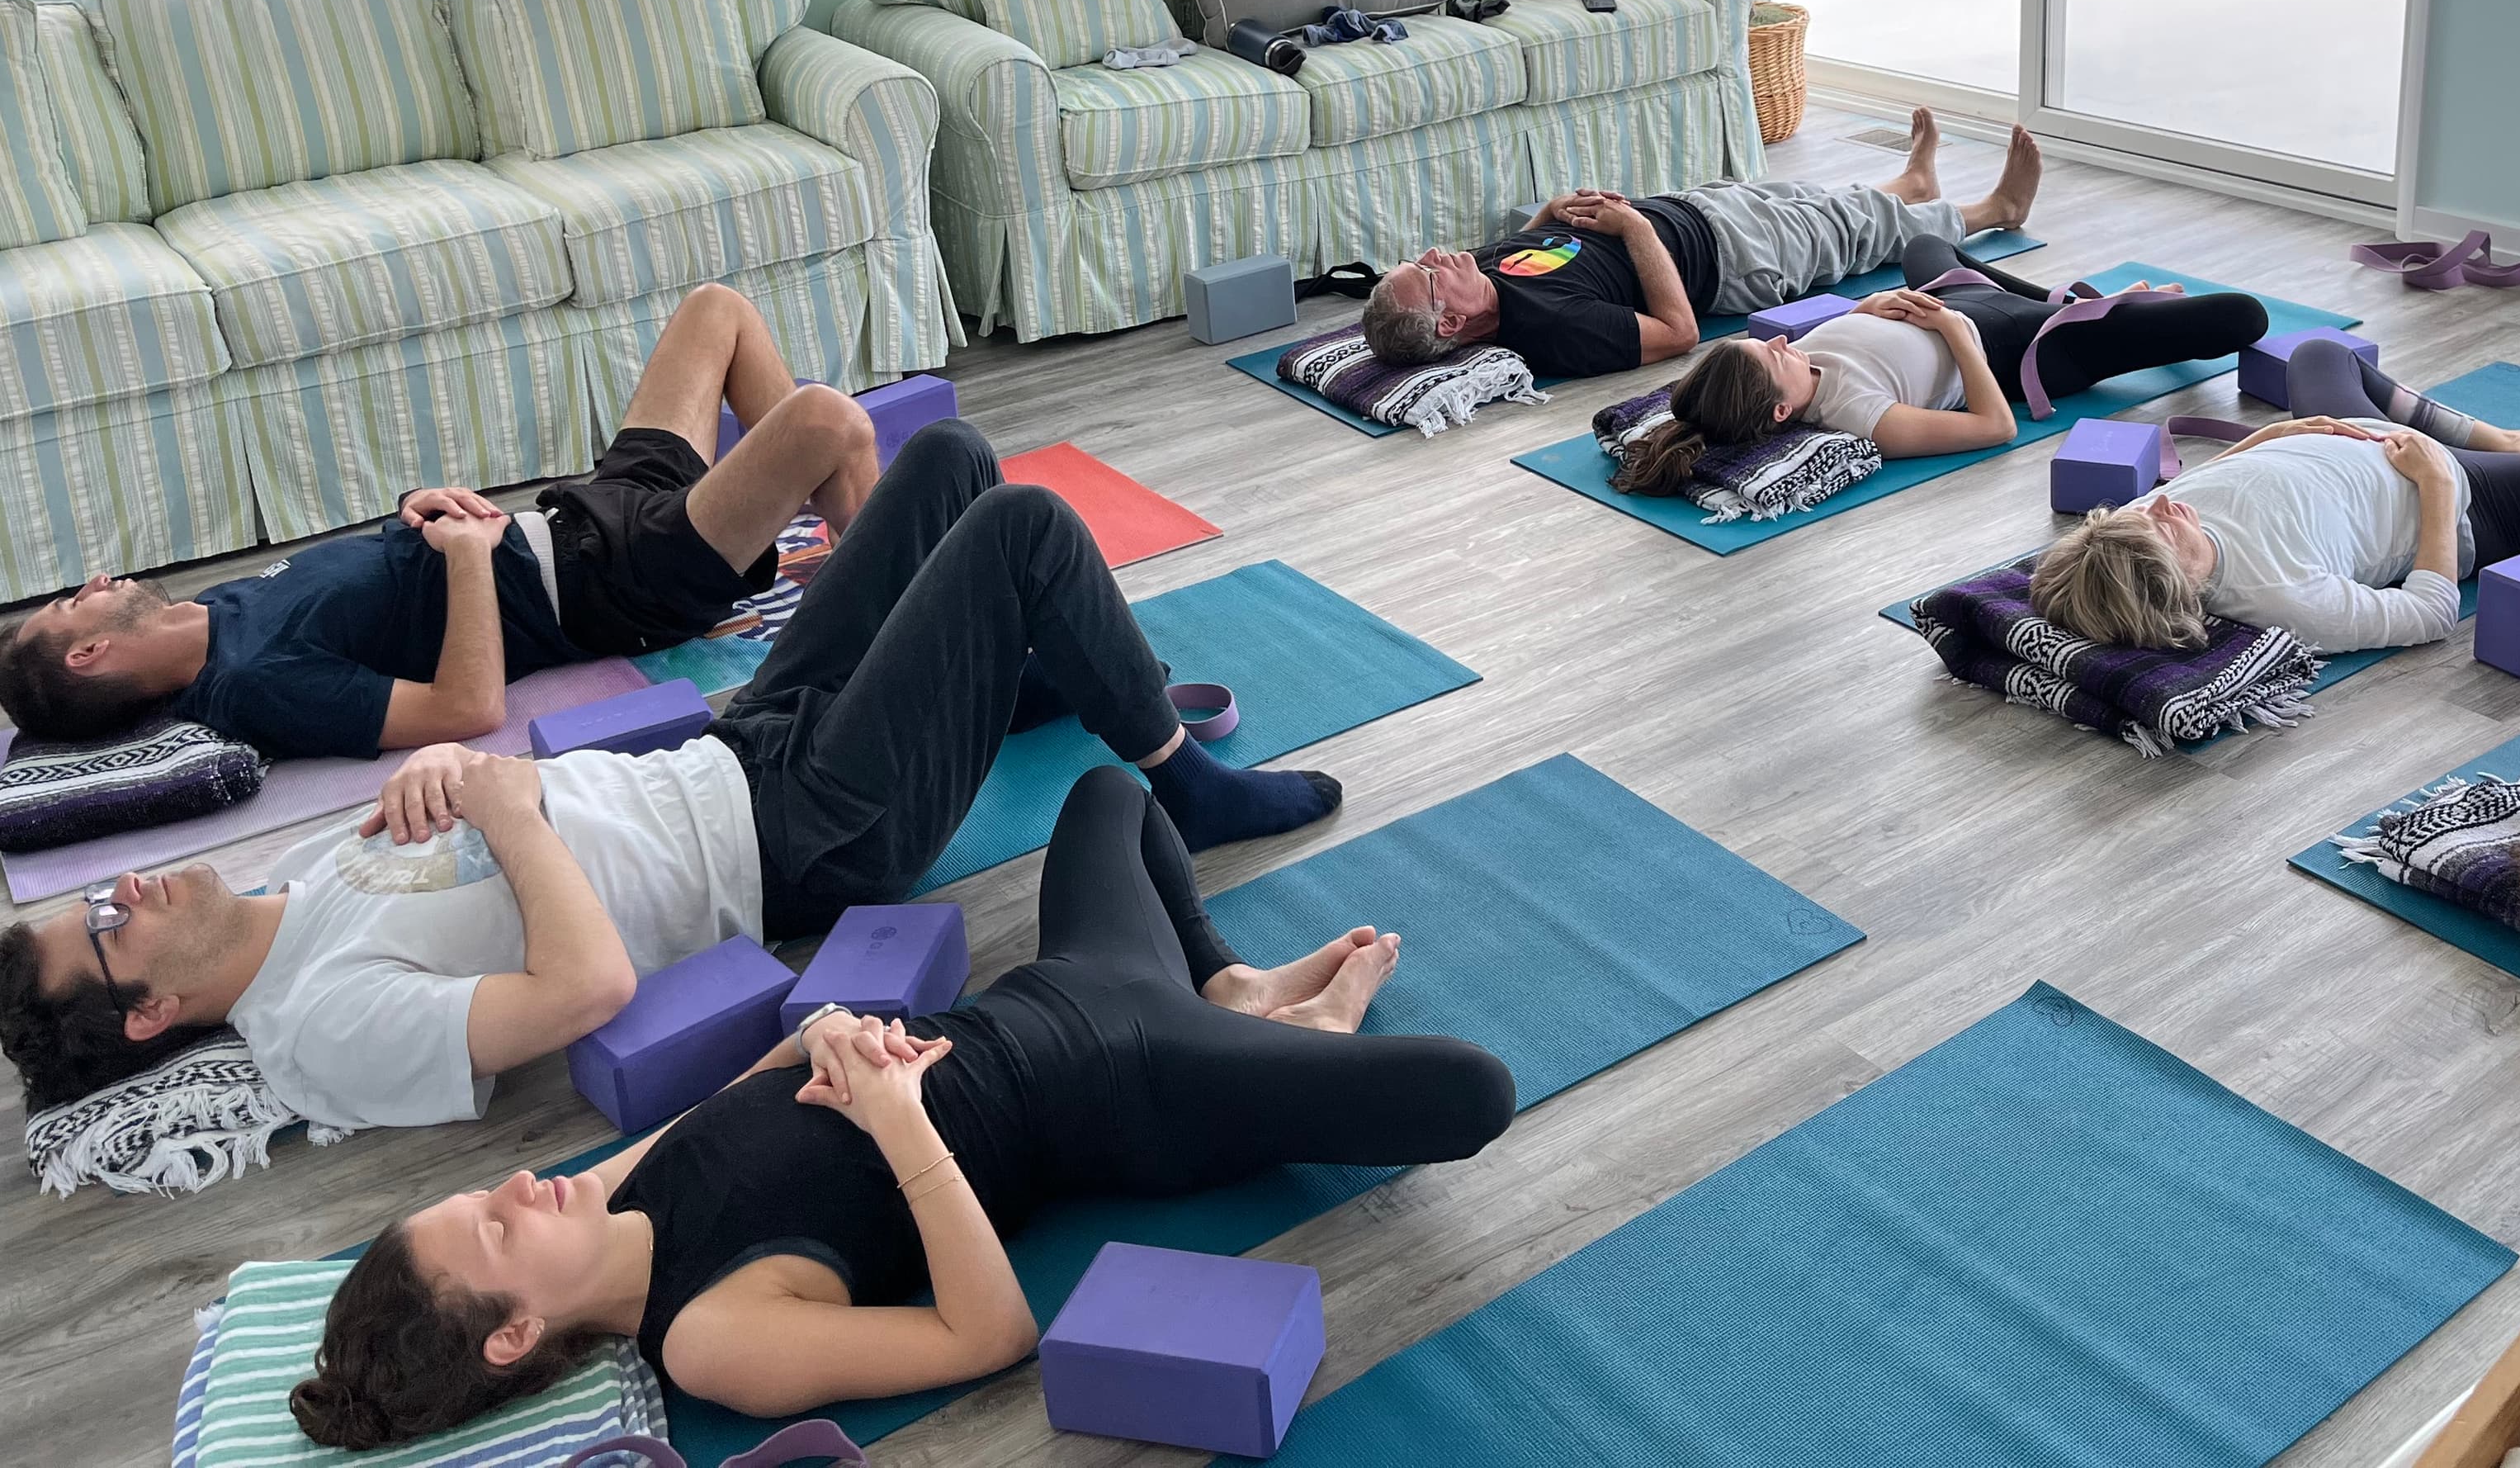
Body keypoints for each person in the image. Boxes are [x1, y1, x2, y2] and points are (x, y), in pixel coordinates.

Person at [0, 421, 1341, 1128]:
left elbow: (456, 788)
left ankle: (1017, 667)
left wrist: (461, 770)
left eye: (95, 890)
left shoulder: (279, 889)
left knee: (946, 464)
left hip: (734, 746)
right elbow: (583, 988)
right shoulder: (320, 1029)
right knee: (1024, 526)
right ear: (146, 1016)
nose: (125, 886)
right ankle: (1183, 780)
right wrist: (507, 800)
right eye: (104, 922)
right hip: (808, 835)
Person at [285, 769, 1512, 1448]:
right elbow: (987, 1337)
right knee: (1472, 1091)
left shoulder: (602, 1199)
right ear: (513, 1336)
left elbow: (755, 1089)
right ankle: (1280, 1036)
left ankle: (1235, 987)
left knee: (1110, 792)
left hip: (1062, 990)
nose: (514, 1187)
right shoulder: (711, 1340)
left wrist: (822, 1034)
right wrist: (899, 1116)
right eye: (495, 1230)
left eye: (479, 1194)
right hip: (1137, 1095)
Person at [0, 286, 880, 760]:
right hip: (619, 582)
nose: (91, 587)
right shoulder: (255, 687)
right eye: (72, 609)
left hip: (588, 513)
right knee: (824, 421)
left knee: (715, 309)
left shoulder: (214, 610)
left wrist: (419, 514)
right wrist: (465, 555)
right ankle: (893, 601)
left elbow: (380, 586)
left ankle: (863, 554)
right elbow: (465, 708)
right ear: (89, 656)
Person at [2028, 334, 2520, 655]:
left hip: (2354, 435)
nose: (2160, 503)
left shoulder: (2121, 534)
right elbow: (2427, 613)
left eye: (2148, 507)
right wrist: (2432, 482)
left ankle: (2513, 439)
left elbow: (2205, 483)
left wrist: (2276, 436)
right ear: (2177, 580)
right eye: (2163, 525)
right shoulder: (2286, 602)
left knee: (2321, 354)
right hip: (2466, 497)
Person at [1361, 108, 2042, 382]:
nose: (1434, 256)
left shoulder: (1475, 270)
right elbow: (1679, 332)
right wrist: (1633, 228)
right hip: (1732, 261)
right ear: (1449, 323)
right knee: (1851, 233)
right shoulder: (1554, 329)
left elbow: (1537, 242)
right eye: (1426, 275)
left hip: (1695, 210)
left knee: (1816, 199)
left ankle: (1911, 183)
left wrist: (1553, 211)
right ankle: (1994, 209)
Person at [1611, 235, 2268, 491]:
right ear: (1783, 411)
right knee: (2242, 317)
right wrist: (1954, 332)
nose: (1784, 342)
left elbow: (1847, 340)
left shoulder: (1795, 369)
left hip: (1961, 303)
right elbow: (1994, 427)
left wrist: (1868, 307)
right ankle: (2089, 310)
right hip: (2031, 349)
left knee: (1923, 245)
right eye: (1773, 354)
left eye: (1767, 340)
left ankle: (2067, 297)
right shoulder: (1860, 417)